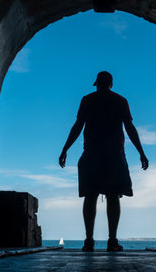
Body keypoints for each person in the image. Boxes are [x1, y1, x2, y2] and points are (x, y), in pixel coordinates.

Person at [59, 71, 149, 252]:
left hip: (91, 152)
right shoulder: (120, 101)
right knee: (113, 196)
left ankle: (89, 241)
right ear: (111, 84)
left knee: (90, 196)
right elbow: (130, 128)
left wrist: (65, 149)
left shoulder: (87, 100)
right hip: (115, 154)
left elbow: (78, 126)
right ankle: (112, 241)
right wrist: (141, 152)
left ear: (97, 83)